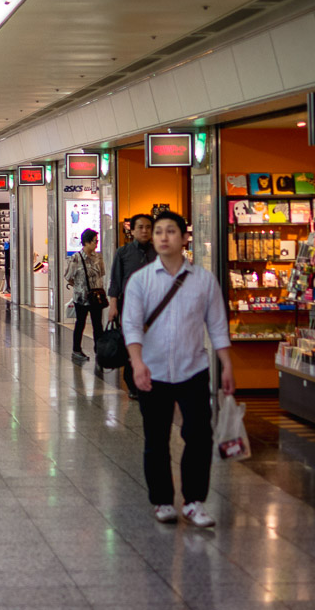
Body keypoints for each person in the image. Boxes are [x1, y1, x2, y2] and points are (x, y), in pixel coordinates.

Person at [122, 211, 234, 528]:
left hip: (193, 370)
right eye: (158, 231)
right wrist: (137, 362)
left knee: (199, 435)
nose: (163, 237)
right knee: (155, 439)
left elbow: (217, 326)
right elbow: (130, 326)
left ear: (185, 238)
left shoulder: (203, 280)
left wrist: (226, 365)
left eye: (171, 231)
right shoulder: (140, 281)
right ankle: (161, 501)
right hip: (152, 371)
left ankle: (194, 501)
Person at [107, 213, 157, 397]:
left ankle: (151, 380)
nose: (144, 231)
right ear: (133, 230)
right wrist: (113, 306)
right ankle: (133, 384)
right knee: (132, 344)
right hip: (130, 306)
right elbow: (115, 282)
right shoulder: (123, 252)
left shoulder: (158, 252)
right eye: (140, 227)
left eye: (148, 227)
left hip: (154, 308)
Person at [63, 228, 106, 365]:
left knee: (97, 324)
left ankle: (99, 351)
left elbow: (101, 274)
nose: (96, 244)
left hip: (96, 296)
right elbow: (68, 276)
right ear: (86, 242)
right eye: (95, 241)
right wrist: (79, 286)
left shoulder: (98, 257)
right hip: (81, 297)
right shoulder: (76, 257)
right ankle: (76, 349)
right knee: (80, 323)